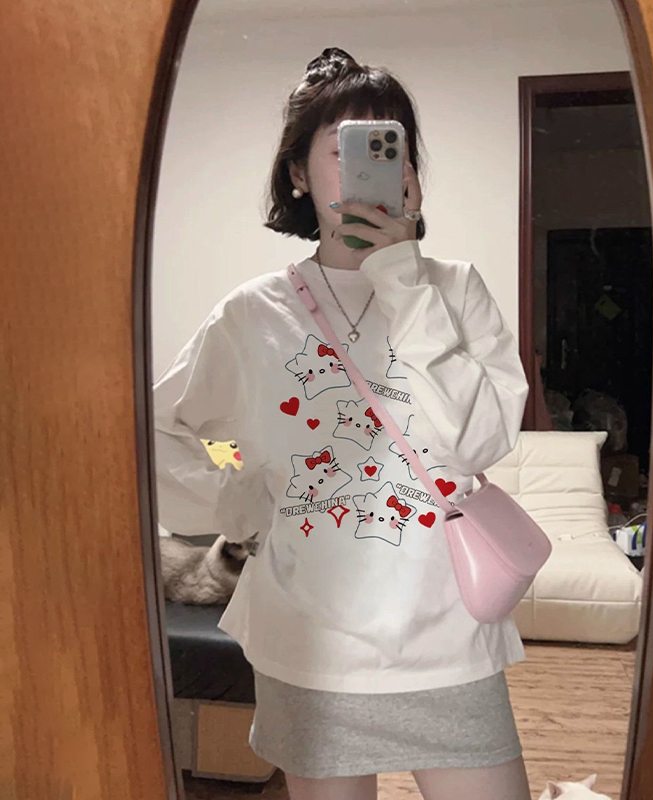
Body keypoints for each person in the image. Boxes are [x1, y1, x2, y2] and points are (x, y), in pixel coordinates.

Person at [153, 47, 533, 800]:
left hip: (448, 643)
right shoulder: (251, 314)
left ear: (410, 173)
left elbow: (479, 443)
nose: (371, 166)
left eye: (389, 146)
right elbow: (166, 433)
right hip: (308, 647)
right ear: (299, 173)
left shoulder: (455, 291)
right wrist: (242, 492)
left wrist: (403, 281)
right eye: (345, 147)